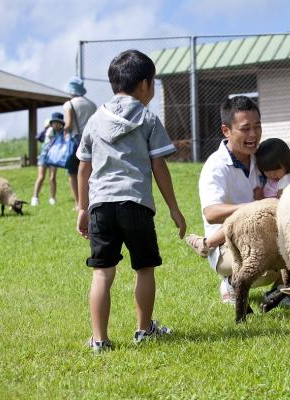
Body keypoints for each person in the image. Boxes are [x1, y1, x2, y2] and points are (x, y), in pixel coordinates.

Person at [75, 49, 187, 353]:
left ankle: (100, 339)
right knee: (145, 269)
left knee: (102, 272)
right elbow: (159, 166)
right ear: (145, 84)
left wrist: (83, 207)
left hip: (100, 206)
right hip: (135, 204)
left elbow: (83, 167)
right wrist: (174, 209)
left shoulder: (96, 120)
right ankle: (144, 330)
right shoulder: (149, 118)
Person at [185, 96, 281, 304]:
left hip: (261, 232)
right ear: (226, 131)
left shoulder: (262, 158)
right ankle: (231, 282)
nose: (253, 134)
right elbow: (211, 214)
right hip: (226, 246)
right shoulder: (215, 166)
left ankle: (283, 292)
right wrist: (254, 208)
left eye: (257, 126)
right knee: (265, 263)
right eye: (245, 129)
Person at [186, 137, 290, 258]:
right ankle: (207, 244)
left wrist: (260, 202)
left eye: (276, 169)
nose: (272, 174)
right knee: (235, 221)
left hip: (275, 220)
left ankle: (207, 243)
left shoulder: (286, 179)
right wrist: (259, 197)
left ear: (286, 163)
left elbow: (279, 200)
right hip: (263, 218)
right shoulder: (270, 180)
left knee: (238, 221)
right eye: (267, 171)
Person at [64, 76, 97, 210]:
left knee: (73, 173)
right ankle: (91, 200)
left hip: (76, 141)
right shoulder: (92, 104)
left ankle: (79, 203)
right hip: (92, 141)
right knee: (90, 172)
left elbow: (68, 125)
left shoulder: (69, 104)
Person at [31, 114, 63, 206]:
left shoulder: (62, 132)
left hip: (54, 156)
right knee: (41, 177)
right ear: (52, 123)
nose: (56, 125)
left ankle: (52, 198)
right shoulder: (50, 130)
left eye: (58, 123)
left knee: (52, 177)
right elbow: (50, 141)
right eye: (54, 123)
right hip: (44, 155)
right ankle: (35, 197)